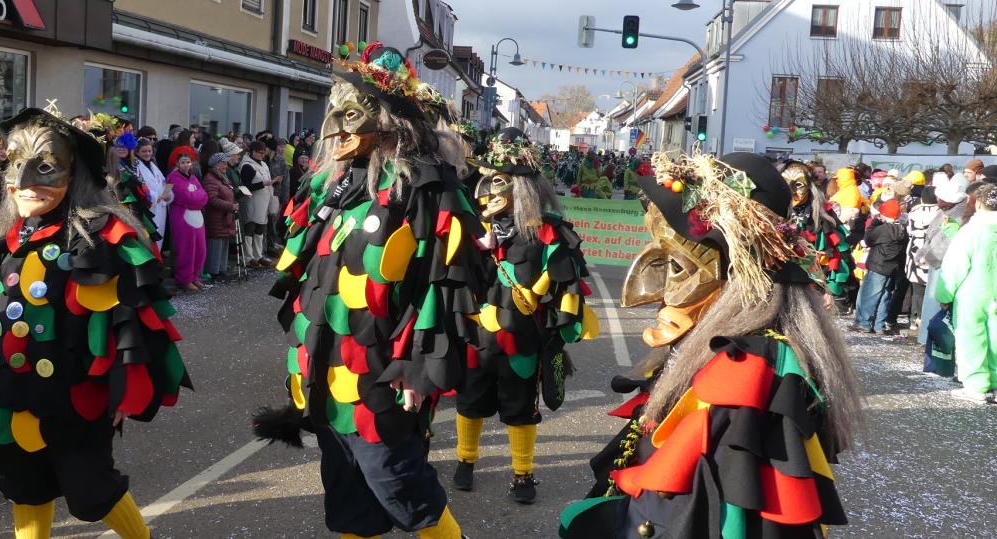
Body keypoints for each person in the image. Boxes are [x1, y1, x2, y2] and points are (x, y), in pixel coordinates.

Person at [560, 151, 861, 538]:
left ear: (737, 278)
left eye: (676, 266)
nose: (641, 296)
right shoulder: (709, 350)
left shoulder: (744, 375)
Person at [253, 43, 484, 539]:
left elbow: (443, 290)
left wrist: (420, 368)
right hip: (328, 369)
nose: (334, 128)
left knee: (400, 484)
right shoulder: (331, 188)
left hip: (384, 374)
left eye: (351, 115)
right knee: (346, 494)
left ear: (389, 122)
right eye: (332, 113)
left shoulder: (425, 192)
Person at [0, 108, 191, 539]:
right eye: (15, 164)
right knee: (24, 487)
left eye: (46, 166)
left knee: (92, 491)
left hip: (74, 394)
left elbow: (128, 319)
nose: (24, 178)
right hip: (9, 390)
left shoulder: (102, 238)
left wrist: (124, 388)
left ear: (75, 175)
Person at [453, 128, 599, 504]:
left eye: (496, 182)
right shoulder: (476, 229)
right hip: (478, 334)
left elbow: (568, 281)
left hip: (522, 340)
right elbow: (456, 276)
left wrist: (544, 300)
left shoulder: (549, 232)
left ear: (519, 189)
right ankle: (465, 461)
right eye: (483, 180)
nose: (485, 191)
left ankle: (522, 473)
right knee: (470, 400)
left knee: (520, 409)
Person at [936, 183, 997, 403]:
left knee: (972, 337)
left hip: (972, 293)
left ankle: (977, 385)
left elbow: (954, 266)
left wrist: (944, 295)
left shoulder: (972, 230)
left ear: (979, 203)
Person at [782, 161, 854, 313]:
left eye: (798, 184)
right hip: (780, 283)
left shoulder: (822, 215)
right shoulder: (775, 210)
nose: (792, 191)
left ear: (809, 185)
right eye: (787, 183)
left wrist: (828, 290)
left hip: (811, 287)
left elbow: (835, 253)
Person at [915, 176, 968, 347]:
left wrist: (930, 256)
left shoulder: (960, 215)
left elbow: (947, 242)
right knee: (931, 301)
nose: (939, 202)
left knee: (938, 300)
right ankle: (928, 337)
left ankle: (935, 338)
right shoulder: (945, 212)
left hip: (944, 264)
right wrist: (924, 252)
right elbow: (932, 235)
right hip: (935, 262)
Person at [851, 199, 908, 334]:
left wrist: (875, 222)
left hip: (878, 265)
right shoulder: (902, 230)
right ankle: (879, 325)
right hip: (892, 268)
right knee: (884, 296)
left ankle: (864, 323)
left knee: (869, 294)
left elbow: (868, 238)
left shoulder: (883, 229)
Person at [166, 148, 209, 291]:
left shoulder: (194, 178)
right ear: (177, 164)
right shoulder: (173, 178)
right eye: (182, 162)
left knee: (200, 249)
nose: (185, 165)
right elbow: (184, 196)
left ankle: (194, 276)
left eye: (188, 162)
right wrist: (195, 198)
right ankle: (184, 279)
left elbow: (204, 197)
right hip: (182, 219)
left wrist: (194, 199)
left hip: (197, 217)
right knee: (186, 249)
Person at [110, 132, 161, 245]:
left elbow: (143, 185)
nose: (122, 149)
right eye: (119, 147)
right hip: (121, 207)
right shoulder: (112, 164)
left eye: (125, 147)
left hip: (138, 206)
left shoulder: (134, 164)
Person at [904, 187, 938, 338]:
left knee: (917, 289)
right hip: (932, 253)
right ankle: (927, 318)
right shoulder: (941, 214)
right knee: (931, 288)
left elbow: (909, 232)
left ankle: (914, 318)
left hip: (915, 253)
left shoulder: (914, 213)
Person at [238, 140, 276, 267]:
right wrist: (263, 184)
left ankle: (258, 255)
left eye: (263, 152)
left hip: (264, 201)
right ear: (251, 152)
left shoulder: (264, 164)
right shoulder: (247, 166)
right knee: (251, 227)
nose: (261, 155)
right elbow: (246, 186)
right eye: (258, 152)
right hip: (252, 200)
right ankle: (249, 257)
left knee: (261, 227)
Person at [201, 152, 238, 282]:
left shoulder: (222, 177)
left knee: (224, 243)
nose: (225, 166)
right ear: (216, 164)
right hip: (216, 217)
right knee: (215, 245)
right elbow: (212, 199)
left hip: (225, 217)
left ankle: (221, 269)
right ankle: (214, 270)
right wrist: (230, 206)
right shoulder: (210, 178)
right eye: (223, 163)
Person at [135, 137, 171, 249]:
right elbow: (140, 186)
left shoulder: (153, 166)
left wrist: (168, 194)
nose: (147, 154)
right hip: (149, 208)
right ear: (137, 152)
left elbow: (164, 182)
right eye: (144, 151)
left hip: (161, 207)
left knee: (159, 239)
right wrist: (155, 197)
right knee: (148, 241)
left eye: (149, 151)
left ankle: (156, 263)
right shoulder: (136, 166)